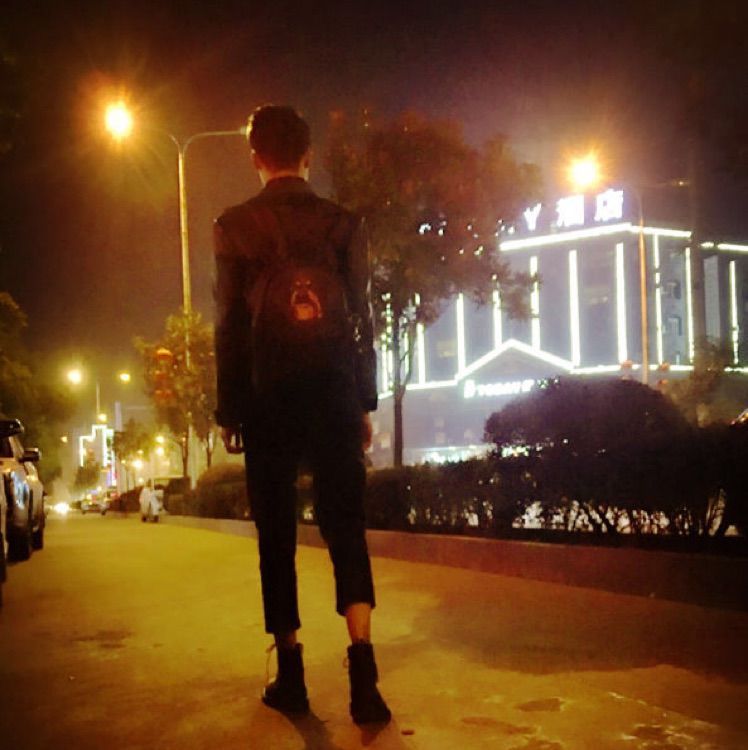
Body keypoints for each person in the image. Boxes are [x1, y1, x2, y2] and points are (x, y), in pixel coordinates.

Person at [213, 105, 390, 725]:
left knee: (277, 538)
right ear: (308, 155)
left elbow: (230, 325)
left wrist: (229, 409)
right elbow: (362, 318)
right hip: (334, 395)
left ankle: (291, 676)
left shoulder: (234, 226)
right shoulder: (343, 224)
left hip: (267, 401)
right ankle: (363, 675)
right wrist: (363, 401)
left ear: (256, 158)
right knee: (347, 527)